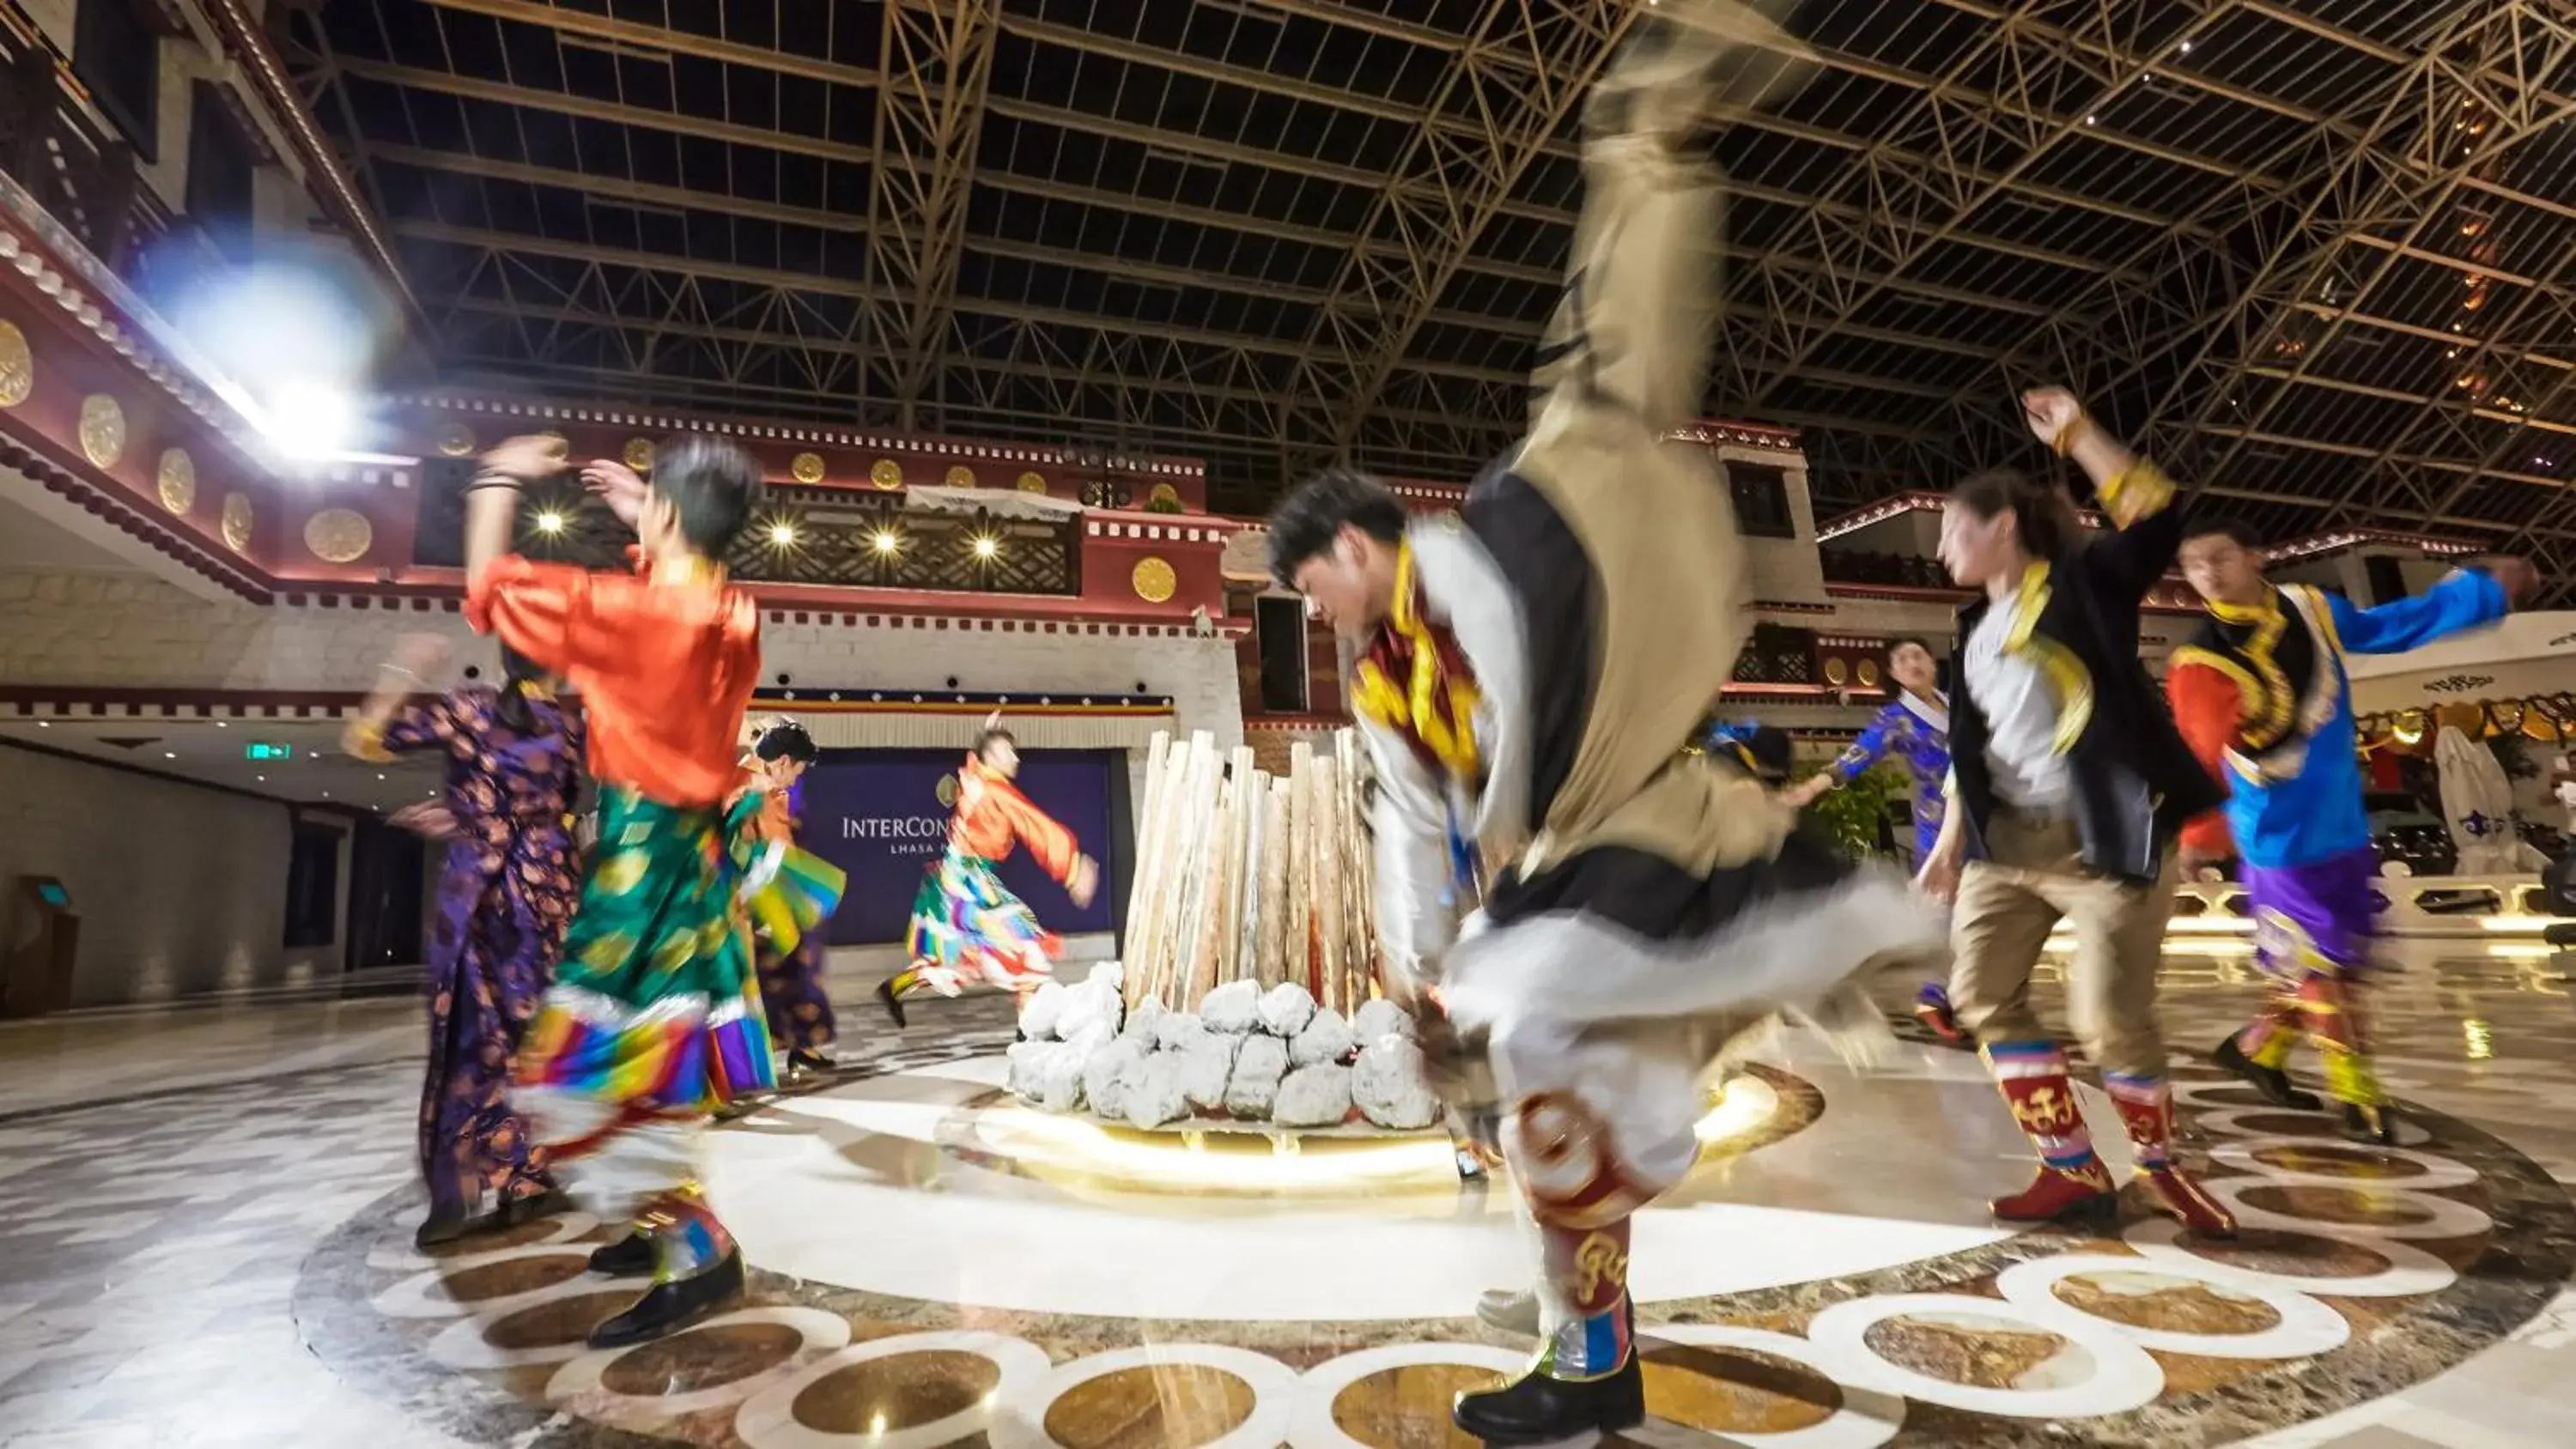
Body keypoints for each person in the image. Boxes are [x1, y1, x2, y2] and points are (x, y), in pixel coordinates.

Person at [1270, 8, 1939, 1440]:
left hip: (1594, 684)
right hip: (1600, 836)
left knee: (1597, 391)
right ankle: (1594, 1345)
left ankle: (1646, 130)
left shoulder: (1454, 556)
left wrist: (1505, 799)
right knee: (1550, 1077)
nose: (1312, 607)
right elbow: (1403, 821)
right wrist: (1423, 961)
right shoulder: (1380, 679)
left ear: (1354, 540)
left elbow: (1508, 659)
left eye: (1311, 578)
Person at [459, 433, 811, 1348]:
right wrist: (651, 519)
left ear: (666, 518)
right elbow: (687, 583)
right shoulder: (733, 609)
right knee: (652, 1058)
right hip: (684, 861)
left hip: (641, 869)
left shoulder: (633, 616)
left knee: (576, 1074)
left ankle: (693, 1243)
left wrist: (496, 479)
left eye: (653, 504)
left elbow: (490, 589)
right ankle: (656, 1220)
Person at [1915, 391, 2235, 1237]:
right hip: (2005, 846)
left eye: (1954, 527)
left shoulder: (2088, 584)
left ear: (2004, 529)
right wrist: (1951, 845)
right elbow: (1973, 748)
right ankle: (2071, 1169)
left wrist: (2078, 435)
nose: (1942, 544)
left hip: (2104, 840)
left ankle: (2161, 1168)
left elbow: (2160, 514)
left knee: (2108, 1019)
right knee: (1982, 995)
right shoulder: (1970, 627)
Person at [2168, 519, 2530, 1144]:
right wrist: (2199, 832)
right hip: (2277, 837)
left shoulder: (2312, 608)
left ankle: (2258, 1050)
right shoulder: (2201, 661)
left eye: (2220, 556)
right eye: (2193, 564)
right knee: (2323, 966)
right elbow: (2199, 755)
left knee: (2339, 956)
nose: (2208, 573)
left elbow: (2392, 626)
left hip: (2339, 820)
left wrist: (2483, 593)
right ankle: (2358, 1094)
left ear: (2255, 555)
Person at [345, 633, 585, 1249]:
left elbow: (365, 740)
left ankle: (458, 1187)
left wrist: (404, 669)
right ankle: (524, 1175)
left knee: (470, 1037)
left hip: (478, 882)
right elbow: (561, 809)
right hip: (545, 884)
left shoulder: (468, 706)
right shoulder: (571, 724)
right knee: (537, 1038)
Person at [1783, 641, 1971, 1046]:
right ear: (1893, 674)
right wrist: (1811, 789)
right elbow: (1856, 756)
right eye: (1902, 660)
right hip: (1938, 825)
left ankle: (1976, 989)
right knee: (1940, 912)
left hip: (1983, 818)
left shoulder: (1958, 705)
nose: (1912, 663)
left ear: (1932, 665)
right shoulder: (1896, 718)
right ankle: (1933, 998)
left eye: (1918, 655)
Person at [878, 715, 1100, 1028]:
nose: (1015, 757)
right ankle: (1031, 1034)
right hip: (968, 883)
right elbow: (1035, 825)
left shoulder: (976, 780)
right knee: (1022, 949)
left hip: (957, 880)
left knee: (966, 958)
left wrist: (986, 735)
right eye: (1008, 751)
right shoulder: (996, 791)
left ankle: (896, 987)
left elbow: (975, 760)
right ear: (992, 757)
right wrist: (1074, 869)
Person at [738, 717, 838, 1076]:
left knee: (789, 971)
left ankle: (796, 1048)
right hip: (735, 906)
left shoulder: (766, 788)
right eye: (796, 769)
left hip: (762, 900)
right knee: (741, 989)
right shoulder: (747, 790)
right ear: (782, 762)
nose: (796, 779)